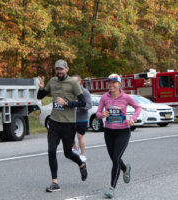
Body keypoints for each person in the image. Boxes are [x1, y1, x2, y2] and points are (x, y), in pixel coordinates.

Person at [37, 59, 88, 192]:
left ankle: (81, 164)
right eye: (57, 69)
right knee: (51, 151)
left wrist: (67, 103)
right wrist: (41, 88)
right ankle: (55, 182)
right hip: (54, 122)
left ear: (67, 69)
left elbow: (82, 102)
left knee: (67, 153)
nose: (59, 71)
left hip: (68, 124)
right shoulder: (53, 81)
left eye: (61, 69)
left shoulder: (73, 83)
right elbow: (39, 96)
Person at [96, 74, 141, 199]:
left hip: (123, 132)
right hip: (109, 132)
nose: (111, 85)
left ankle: (111, 188)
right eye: (109, 83)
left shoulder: (126, 97)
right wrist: (102, 114)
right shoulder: (104, 97)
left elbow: (138, 107)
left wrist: (132, 118)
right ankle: (125, 169)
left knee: (116, 157)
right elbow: (98, 113)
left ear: (119, 84)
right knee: (114, 158)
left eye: (114, 83)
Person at [72, 75, 92, 162]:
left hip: (82, 117)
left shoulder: (85, 92)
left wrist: (79, 106)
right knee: (69, 136)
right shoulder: (69, 92)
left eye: (74, 81)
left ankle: (82, 154)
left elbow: (89, 105)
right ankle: (76, 149)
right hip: (70, 118)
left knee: (80, 136)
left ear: (79, 81)